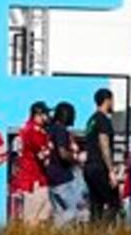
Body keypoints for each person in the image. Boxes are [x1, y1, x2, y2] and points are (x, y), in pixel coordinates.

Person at [83, 89, 123, 223]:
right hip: (99, 167)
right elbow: (104, 144)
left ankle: (93, 233)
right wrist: (111, 171)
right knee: (114, 203)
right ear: (107, 101)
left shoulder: (91, 120)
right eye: (112, 100)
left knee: (96, 205)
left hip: (89, 167)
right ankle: (103, 233)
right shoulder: (103, 120)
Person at [11, 103, 52, 226]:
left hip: (36, 178)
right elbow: (42, 156)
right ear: (38, 115)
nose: (48, 117)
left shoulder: (32, 129)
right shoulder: (32, 131)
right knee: (33, 220)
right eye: (45, 114)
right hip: (33, 180)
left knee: (41, 218)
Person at [46, 102, 85, 220]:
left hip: (52, 178)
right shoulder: (60, 130)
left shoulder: (50, 130)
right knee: (75, 210)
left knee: (59, 213)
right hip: (63, 178)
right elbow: (63, 154)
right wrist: (76, 159)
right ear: (66, 115)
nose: (74, 117)